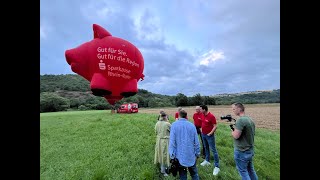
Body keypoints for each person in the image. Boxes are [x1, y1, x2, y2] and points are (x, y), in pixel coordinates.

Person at [169, 110, 200, 180]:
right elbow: (196, 142)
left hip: (179, 156)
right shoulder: (192, 125)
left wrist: (172, 155)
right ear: (186, 116)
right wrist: (197, 154)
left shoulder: (174, 125)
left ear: (178, 116)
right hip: (191, 155)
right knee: (194, 174)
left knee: (182, 175)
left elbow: (172, 142)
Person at [231, 103, 258, 180]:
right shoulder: (249, 119)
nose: (233, 111)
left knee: (243, 172)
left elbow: (236, 136)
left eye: (234, 109)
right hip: (250, 149)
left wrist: (232, 131)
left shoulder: (240, 120)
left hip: (242, 151)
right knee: (251, 170)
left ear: (239, 109)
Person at [199, 105, 220, 176]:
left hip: (209, 136)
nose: (200, 111)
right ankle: (207, 160)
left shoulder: (211, 116)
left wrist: (210, 133)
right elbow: (202, 123)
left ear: (204, 109)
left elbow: (215, 126)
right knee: (206, 147)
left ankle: (217, 166)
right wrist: (201, 130)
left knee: (213, 150)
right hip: (203, 134)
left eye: (201, 109)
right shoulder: (202, 115)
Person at [154, 112, 171, 177]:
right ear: (165, 117)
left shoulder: (157, 123)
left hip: (159, 141)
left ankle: (163, 168)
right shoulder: (167, 124)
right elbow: (172, 131)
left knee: (160, 154)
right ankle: (164, 170)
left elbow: (155, 132)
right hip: (166, 141)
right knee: (165, 155)